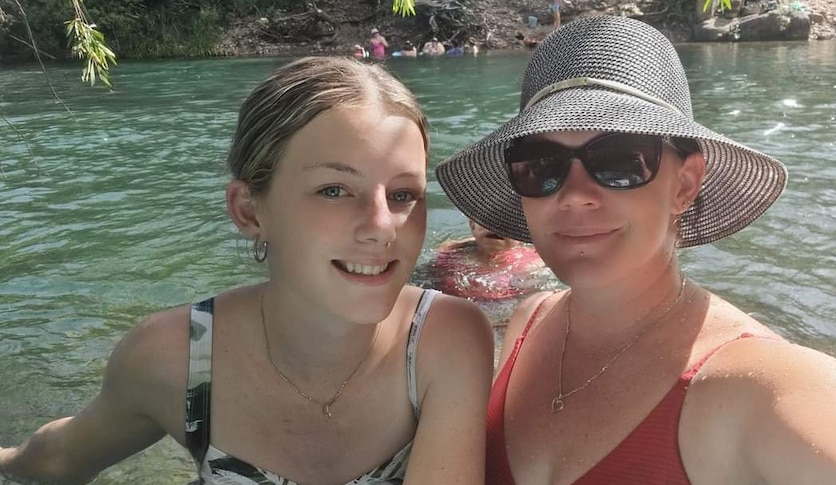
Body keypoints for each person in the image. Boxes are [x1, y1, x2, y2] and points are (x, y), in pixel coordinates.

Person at [0, 57, 493, 485]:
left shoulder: (444, 341)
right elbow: (55, 461)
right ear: (250, 212)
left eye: (404, 194)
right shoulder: (178, 360)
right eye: (334, 190)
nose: (382, 227)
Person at [436, 16, 836, 485]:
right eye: (542, 165)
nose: (575, 194)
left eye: (618, 161)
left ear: (685, 183)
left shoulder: (766, 388)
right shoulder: (526, 322)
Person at [428, 220, 545, 301]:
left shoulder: (533, 262)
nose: (496, 226)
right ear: (472, 225)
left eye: (507, 222)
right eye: (488, 219)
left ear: (523, 234)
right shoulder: (450, 251)